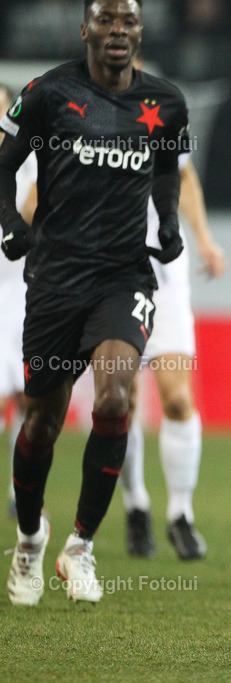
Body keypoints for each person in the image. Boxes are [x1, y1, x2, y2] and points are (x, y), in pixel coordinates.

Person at [1, 0, 189, 605]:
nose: (117, 31)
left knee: (114, 399)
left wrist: (167, 223)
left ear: (140, 31)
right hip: (55, 282)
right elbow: (3, 167)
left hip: (122, 278)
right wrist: (9, 221)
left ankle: (80, 546)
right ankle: (31, 537)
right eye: (105, 20)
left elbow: (166, 169)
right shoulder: (47, 93)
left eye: (128, 21)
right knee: (43, 423)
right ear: (85, 29)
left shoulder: (166, 103)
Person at [120, 150, 225, 561]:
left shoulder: (160, 110)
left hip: (166, 275)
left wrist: (204, 237)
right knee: (120, 400)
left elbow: (186, 176)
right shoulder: (87, 111)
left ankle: (180, 513)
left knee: (178, 399)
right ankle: (136, 505)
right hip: (112, 275)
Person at [0, 84, 38, 519]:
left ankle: (18, 490)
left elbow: (34, 212)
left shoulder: (30, 169)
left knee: (28, 397)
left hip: (24, 293)